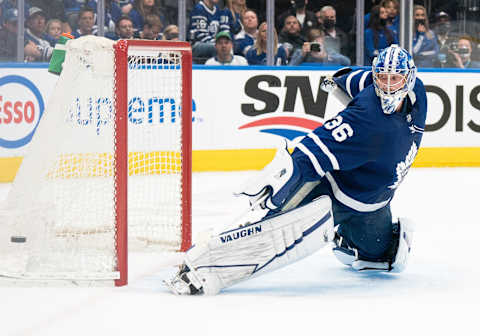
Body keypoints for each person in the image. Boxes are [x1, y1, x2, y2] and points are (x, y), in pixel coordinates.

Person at [165, 45, 427, 296]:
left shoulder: (419, 96)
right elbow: (306, 156)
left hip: (373, 207)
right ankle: (207, 266)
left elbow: (350, 79)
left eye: (396, 79)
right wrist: (279, 196)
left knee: (386, 256)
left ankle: (347, 237)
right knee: (270, 229)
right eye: (382, 78)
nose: (389, 85)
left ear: (410, 79)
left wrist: (336, 80)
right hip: (332, 194)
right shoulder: (364, 119)